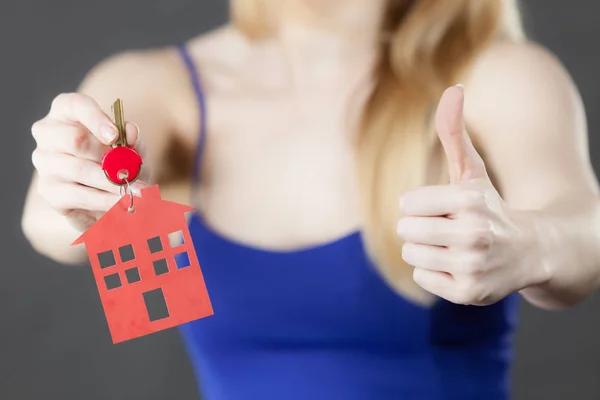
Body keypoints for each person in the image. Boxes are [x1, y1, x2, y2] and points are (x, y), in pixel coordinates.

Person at [21, 0, 600, 399]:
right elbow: (50, 226)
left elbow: (583, 231)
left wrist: (531, 246)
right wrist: (75, 196)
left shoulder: (494, 75)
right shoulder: (159, 91)